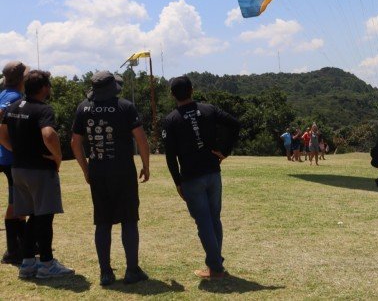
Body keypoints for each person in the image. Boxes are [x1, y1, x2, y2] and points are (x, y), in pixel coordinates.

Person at [70, 71, 150, 286]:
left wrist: (86, 170)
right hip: (123, 170)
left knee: (102, 222)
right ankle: (132, 270)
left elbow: (75, 143)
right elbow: (141, 139)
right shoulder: (124, 106)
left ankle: (105, 273)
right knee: (129, 220)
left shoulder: (83, 108)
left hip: (98, 171)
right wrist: (146, 165)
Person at [162, 75, 240, 279]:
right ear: (192, 90)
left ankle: (215, 267)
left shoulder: (171, 120)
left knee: (204, 222)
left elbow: (170, 156)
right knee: (214, 219)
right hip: (213, 173)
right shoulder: (209, 109)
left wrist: (177, 182)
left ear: (173, 95)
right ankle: (216, 264)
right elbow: (235, 124)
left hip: (191, 177)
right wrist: (225, 150)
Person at [0, 70, 74, 279]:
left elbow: (1, 133)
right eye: (48, 85)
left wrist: (16, 150)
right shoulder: (43, 109)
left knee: (32, 215)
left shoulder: (14, 107)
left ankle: (27, 263)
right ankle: (47, 263)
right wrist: (57, 157)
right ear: (42, 88)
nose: (49, 88)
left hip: (19, 169)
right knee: (45, 216)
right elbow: (48, 134)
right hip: (39, 170)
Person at [0, 61, 27, 265]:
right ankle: (13, 250)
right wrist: (11, 147)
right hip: (10, 159)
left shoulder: (4, 94)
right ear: (21, 78)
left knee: (19, 201)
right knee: (16, 202)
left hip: (5, 157)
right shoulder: (15, 98)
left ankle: (22, 244)